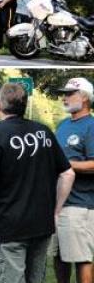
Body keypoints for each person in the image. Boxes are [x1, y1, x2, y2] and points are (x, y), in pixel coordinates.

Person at [0, 83, 75, 283]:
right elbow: (68, 174)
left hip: (10, 226)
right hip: (42, 224)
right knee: (35, 278)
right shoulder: (43, 131)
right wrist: (55, 211)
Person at [53, 77, 94, 283]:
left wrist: (65, 165)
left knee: (81, 258)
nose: (65, 98)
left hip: (80, 205)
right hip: (57, 206)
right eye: (64, 94)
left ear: (84, 98)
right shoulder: (62, 125)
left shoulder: (92, 126)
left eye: (70, 94)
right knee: (59, 257)